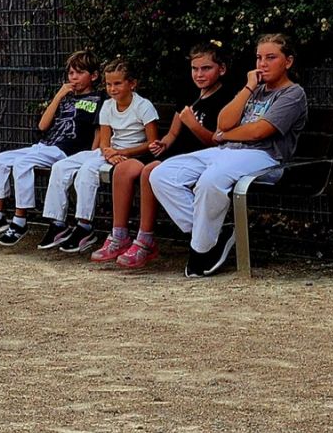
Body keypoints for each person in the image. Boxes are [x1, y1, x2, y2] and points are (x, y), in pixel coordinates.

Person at [147, 33, 310, 278]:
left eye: (271, 58)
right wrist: (248, 88)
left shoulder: (293, 94)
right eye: (259, 58)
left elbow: (259, 132)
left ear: (288, 61)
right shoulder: (255, 90)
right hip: (229, 152)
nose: (262, 64)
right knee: (162, 175)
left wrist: (225, 135)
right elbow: (223, 122)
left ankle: (202, 251)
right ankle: (217, 235)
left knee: (210, 180)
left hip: (265, 157)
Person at [93, 42, 234, 268]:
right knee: (125, 169)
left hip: (203, 157)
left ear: (222, 69)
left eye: (206, 68)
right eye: (195, 69)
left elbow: (217, 140)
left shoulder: (227, 98)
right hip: (175, 155)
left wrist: (193, 124)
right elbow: (173, 133)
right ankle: (120, 235)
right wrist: (163, 143)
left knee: (150, 171)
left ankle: (146, 239)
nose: (199, 74)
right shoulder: (190, 93)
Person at [0, 51, 105, 246]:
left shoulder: (99, 99)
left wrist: (89, 156)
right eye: (71, 73)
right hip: (45, 146)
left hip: (66, 151)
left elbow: (99, 131)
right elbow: (43, 126)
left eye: (79, 73)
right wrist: (59, 95)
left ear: (93, 76)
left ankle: (20, 220)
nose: (74, 78)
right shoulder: (65, 97)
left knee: (22, 163)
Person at [37, 57, 157, 255]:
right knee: (61, 166)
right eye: (109, 84)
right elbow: (104, 140)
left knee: (87, 170)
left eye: (117, 83)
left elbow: (152, 143)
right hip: (108, 153)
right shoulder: (107, 106)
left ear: (132, 84)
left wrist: (122, 153)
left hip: (129, 155)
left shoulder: (143, 106)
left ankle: (84, 226)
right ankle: (57, 223)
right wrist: (108, 153)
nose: (112, 89)